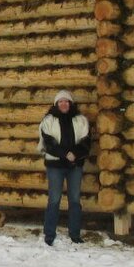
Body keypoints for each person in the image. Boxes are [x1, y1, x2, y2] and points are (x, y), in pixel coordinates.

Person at [38, 89, 90, 245]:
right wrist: (65, 153)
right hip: (55, 166)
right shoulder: (48, 121)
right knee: (54, 199)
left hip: (75, 165)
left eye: (66, 101)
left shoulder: (81, 120)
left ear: (70, 103)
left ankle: (74, 234)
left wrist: (75, 153)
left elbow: (86, 141)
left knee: (74, 200)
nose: (64, 104)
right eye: (61, 101)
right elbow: (48, 142)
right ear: (56, 104)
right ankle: (49, 234)